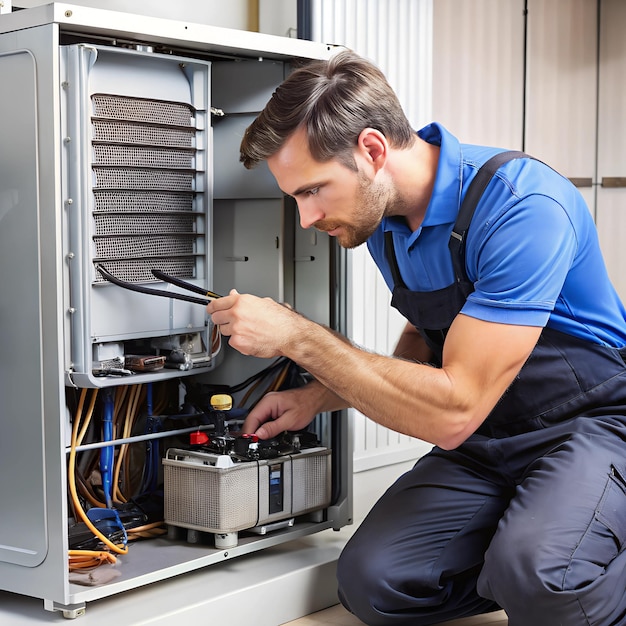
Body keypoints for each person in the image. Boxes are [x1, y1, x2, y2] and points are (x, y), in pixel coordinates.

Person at [206, 50, 626, 626]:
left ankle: (552, 557)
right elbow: (430, 335)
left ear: (372, 151)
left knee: (542, 577)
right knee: (373, 583)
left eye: (313, 191)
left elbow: (453, 410)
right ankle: (538, 546)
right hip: (489, 438)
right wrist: (318, 397)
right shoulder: (382, 223)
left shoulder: (522, 205)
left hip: (589, 427)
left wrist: (299, 338)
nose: (305, 219)